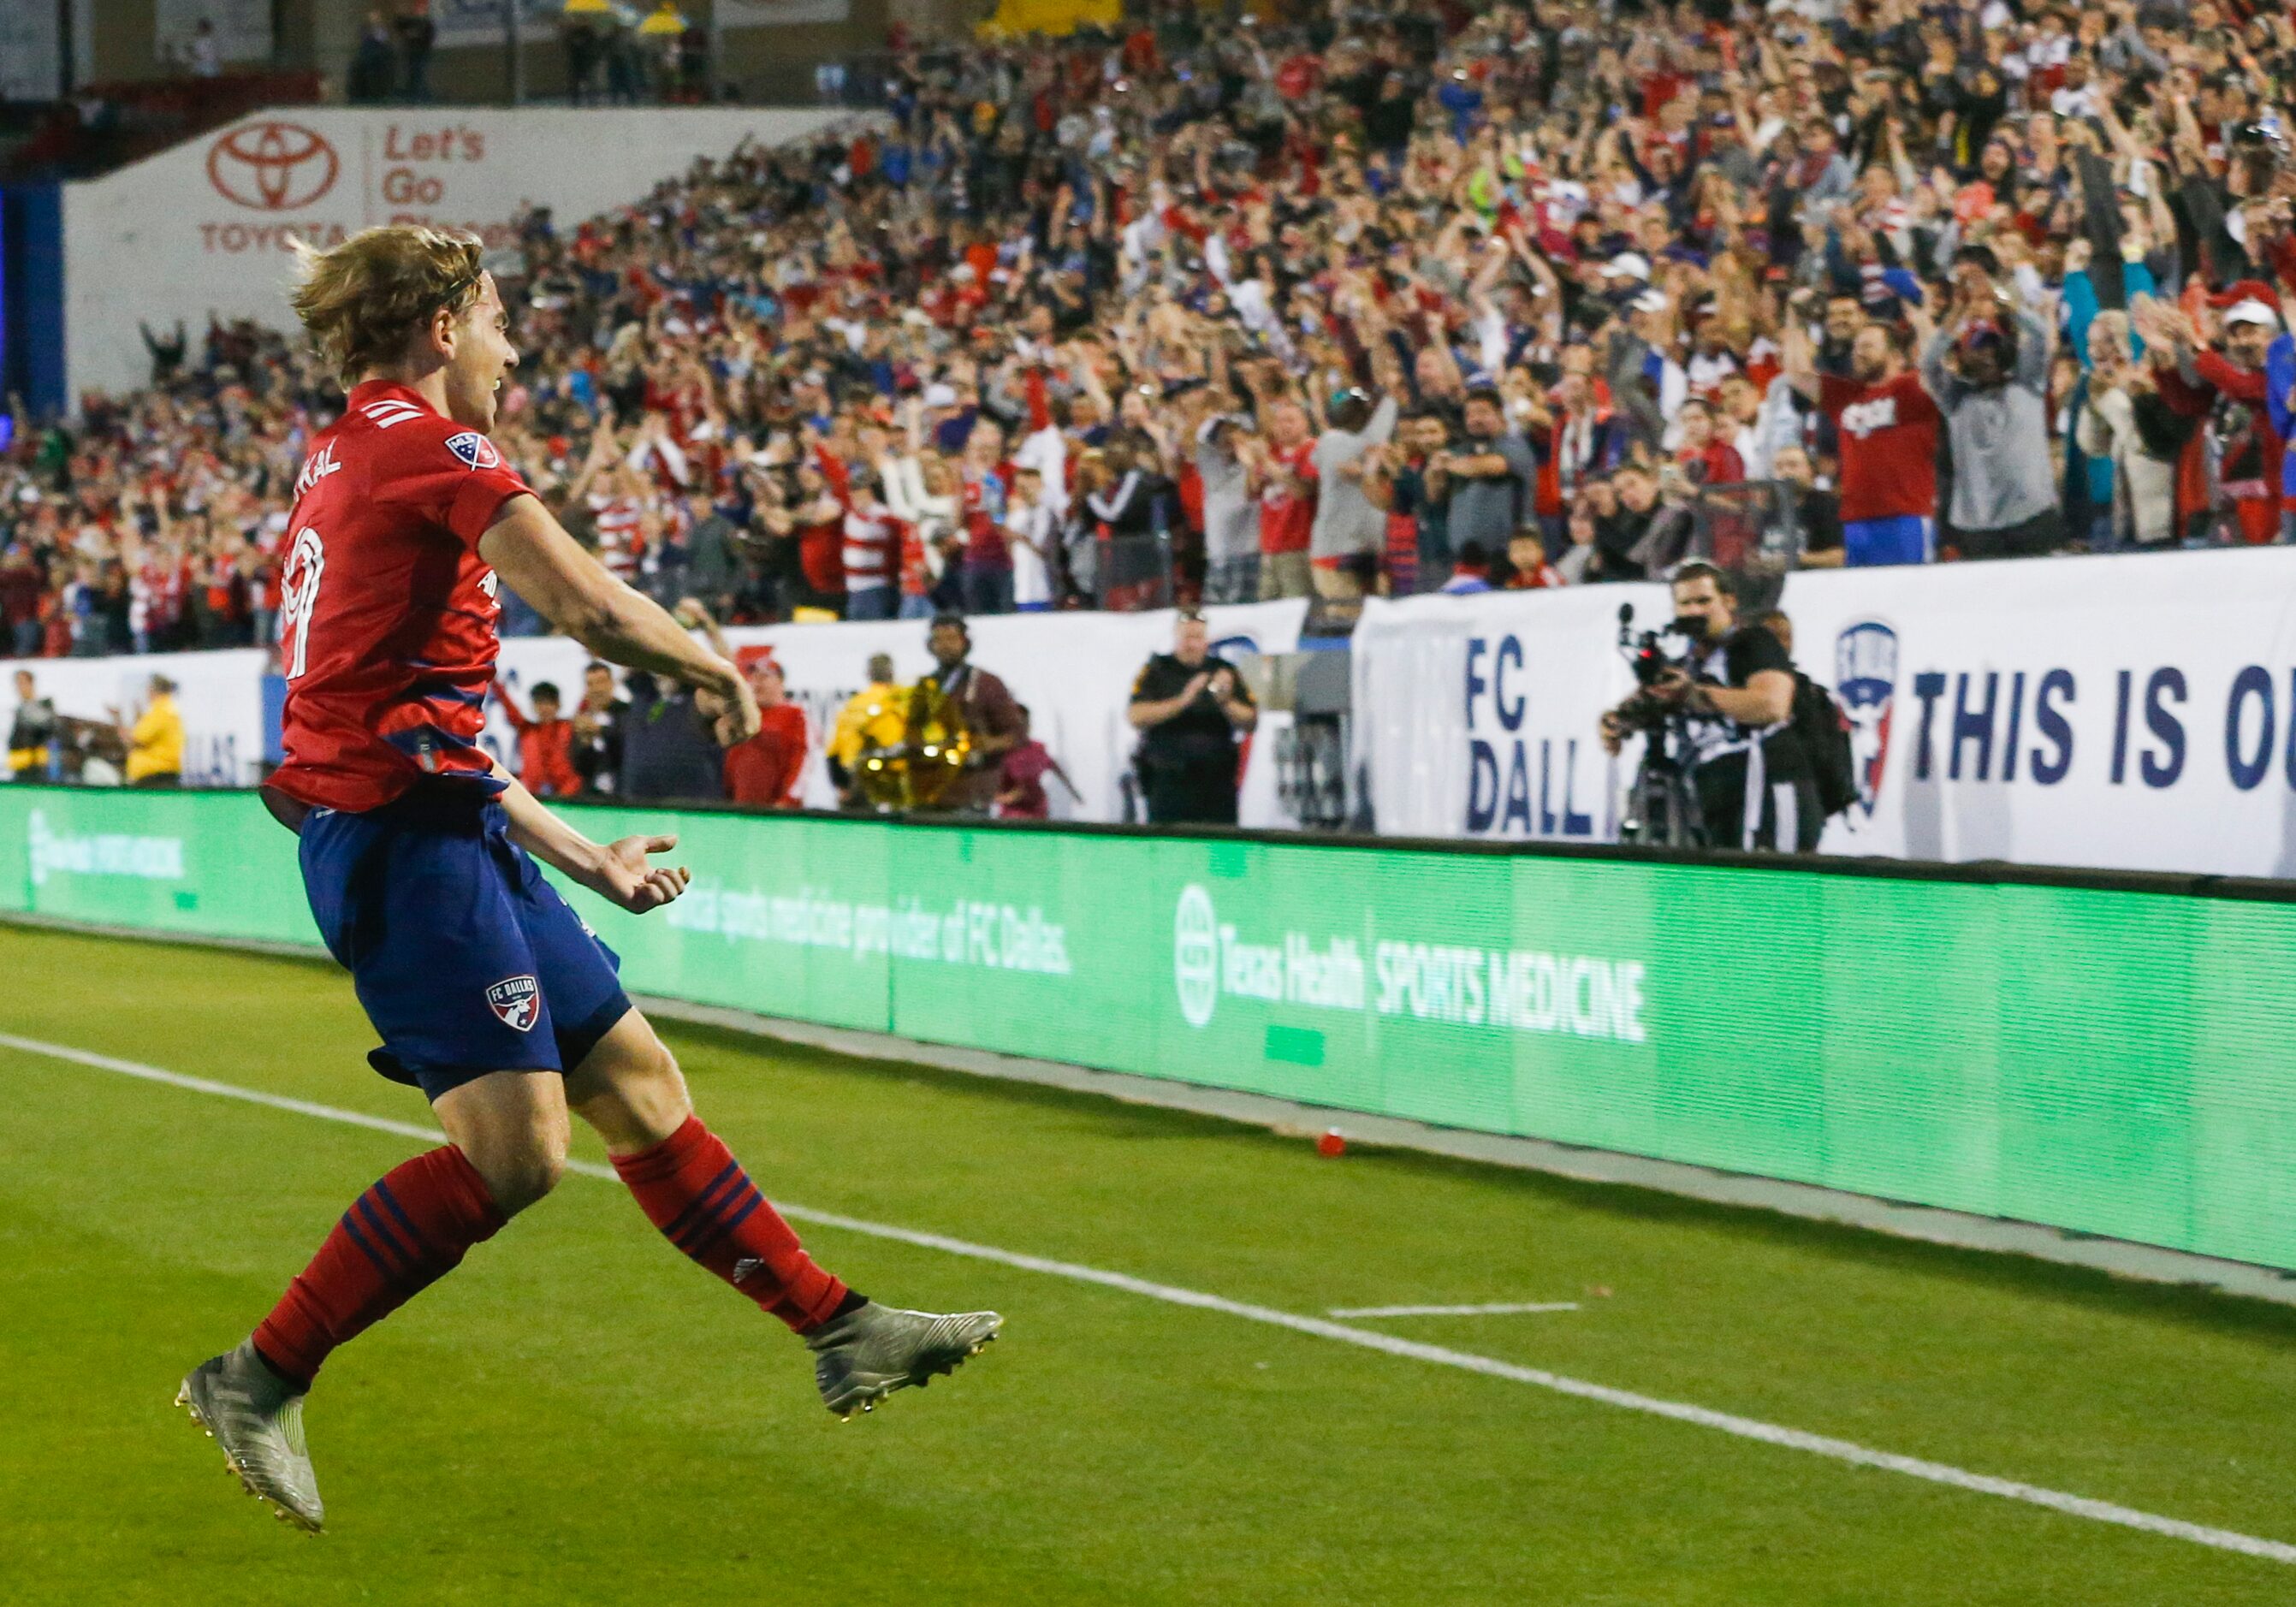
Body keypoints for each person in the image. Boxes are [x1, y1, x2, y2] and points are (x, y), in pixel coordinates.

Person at [176, 226, 998, 1535]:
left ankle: (843, 1330)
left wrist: (587, 858)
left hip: (445, 822)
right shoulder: (424, 444)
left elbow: (418, 722)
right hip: (400, 846)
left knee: (636, 1080)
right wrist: (717, 668)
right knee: (516, 1160)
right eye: (498, 319)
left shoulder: (347, 446)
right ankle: (256, 1375)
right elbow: (594, 611)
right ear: (443, 329)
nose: (512, 348)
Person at [1599, 563, 1814, 852]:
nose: (1695, 611)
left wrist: (1696, 696)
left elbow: (1772, 705)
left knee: (1772, 887)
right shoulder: (1686, 659)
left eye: (1704, 601)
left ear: (1729, 601)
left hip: (1766, 787)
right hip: (1710, 794)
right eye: (1685, 603)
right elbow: (1653, 698)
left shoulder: (1753, 642)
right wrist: (1618, 721)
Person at [1785, 304, 1940, 567]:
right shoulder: (1845, 395)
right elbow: (1796, 374)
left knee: (1911, 599)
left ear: (1897, 356)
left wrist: (1923, 320)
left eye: (1868, 346)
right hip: (1856, 521)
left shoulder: (1913, 388)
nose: (1858, 353)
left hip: (1907, 517)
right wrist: (1794, 316)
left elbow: (1937, 367)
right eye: (1856, 347)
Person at [1126, 609, 1257, 826]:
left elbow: (1251, 721)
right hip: (1168, 783)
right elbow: (1135, 716)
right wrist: (1183, 701)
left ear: (1206, 641)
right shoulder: (1157, 670)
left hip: (1216, 785)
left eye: (1197, 637)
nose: (1192, 644)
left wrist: (1225, 701)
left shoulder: (1224, 671)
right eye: (1187, 637)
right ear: (1176, 638)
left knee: (1221, 850)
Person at [906, 613, 1023, 813]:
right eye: (938, 640)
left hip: (973, 791)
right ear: (930, 645)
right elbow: (911, 731)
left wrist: (984, 744)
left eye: (951, 639)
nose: (945, 645)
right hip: (930, 791)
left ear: (965, 643)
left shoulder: (986, 683)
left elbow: (1016, 735)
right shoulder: (925, 686)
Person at [721, 651, 809, 808]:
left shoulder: (795, 715)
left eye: (764, 677)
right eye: (754, 677)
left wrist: (788, 801)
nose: (757, 683)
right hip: (740, 807)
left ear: (780, 682)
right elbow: (732, 760)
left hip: (776, 811)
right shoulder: (746, 716)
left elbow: (802, 762)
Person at [827, 651, 908, 805]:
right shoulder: (905, 701)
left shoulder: (853, 705)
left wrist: (842, 785)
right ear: (892, 672)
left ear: (868, 673)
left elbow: (834, 751)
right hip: (897, 777)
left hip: (859, 777)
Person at [492, 679, 582, 798]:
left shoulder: (568, 728)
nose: (544, 708)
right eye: (539, 703)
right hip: (534, 798)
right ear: (533, 706)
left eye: (548, 703)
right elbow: (508, 706)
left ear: (558, 705)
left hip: (567, 796)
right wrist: (493, 680)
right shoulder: (527, 730)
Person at [994, 704, 1074, 820]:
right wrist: (1009, 797)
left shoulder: (1036, 750)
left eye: (1025, 723)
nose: (1022, 728)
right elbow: (988, 793)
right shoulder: (1003, 754)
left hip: (1038, 813)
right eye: (1018, 725)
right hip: (1013, 817)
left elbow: (1054, 766)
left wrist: (1073, 791)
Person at [567, 661, 627, 796]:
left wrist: (599, 731)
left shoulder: (627, 712)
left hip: (624, 794)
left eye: (601, 682)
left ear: (611, 684)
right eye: (590, 684)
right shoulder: (582, 719)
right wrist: (586, 743)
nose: (597, 689)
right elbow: (578, 766)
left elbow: (627, 747)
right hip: (593, 796)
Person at [116, 673, 184, 788]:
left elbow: (135, 740)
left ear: (152, 690)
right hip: (160, 774)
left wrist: (117, 720)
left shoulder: (160, 711)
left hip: (155, 776)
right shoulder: (167, 709)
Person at [9, 668, 58, 778]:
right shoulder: (19, 710)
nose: (19, 688)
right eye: (17, 684)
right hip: (19, 766)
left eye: (22, 683)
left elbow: (50, 729)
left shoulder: (44, 706)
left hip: (38, 768)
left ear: (31, 683)